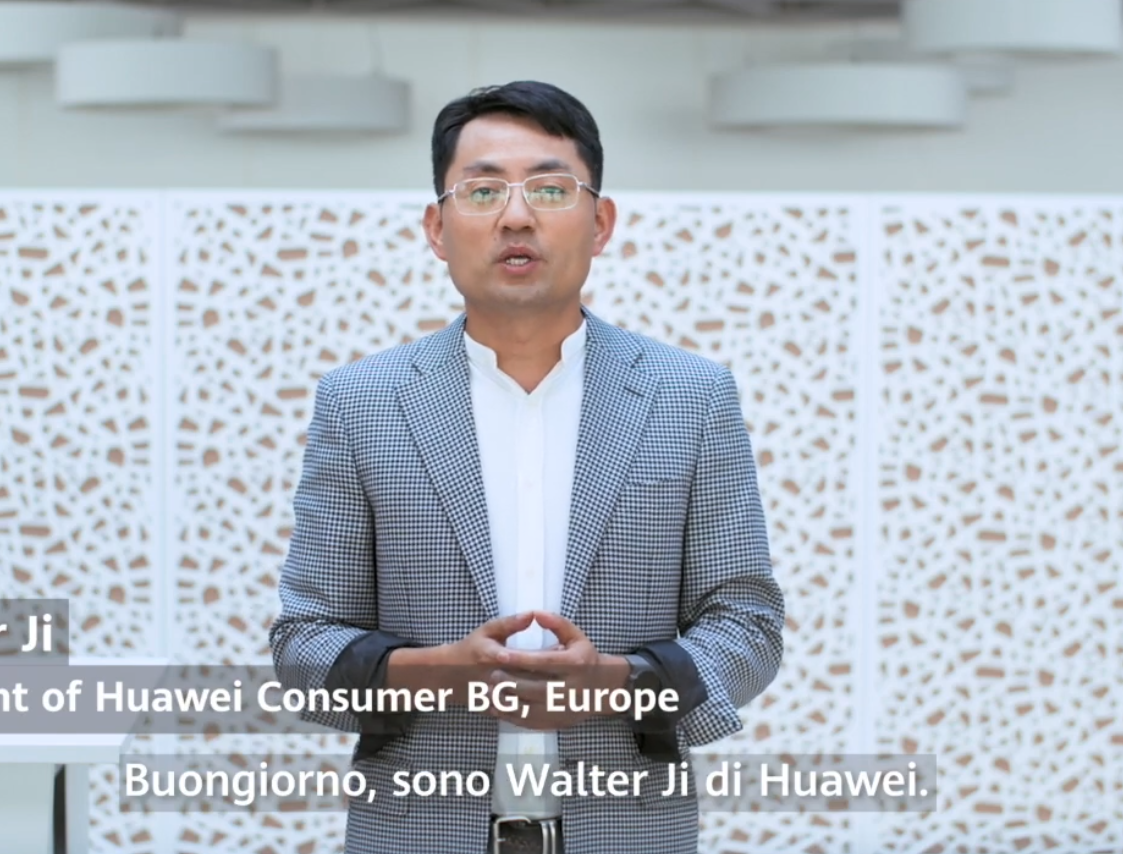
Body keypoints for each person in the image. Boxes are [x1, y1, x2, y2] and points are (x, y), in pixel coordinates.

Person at [269, 80, 785, 854]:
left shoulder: (690, 397)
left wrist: (619, 684)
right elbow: (304, 642)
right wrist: (441, 672)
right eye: (483, 191)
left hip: (627, 834)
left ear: (600, 222)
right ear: (437, 228)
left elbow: (747, 626)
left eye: (549, 188)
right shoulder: (360, 403)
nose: (516, 216)